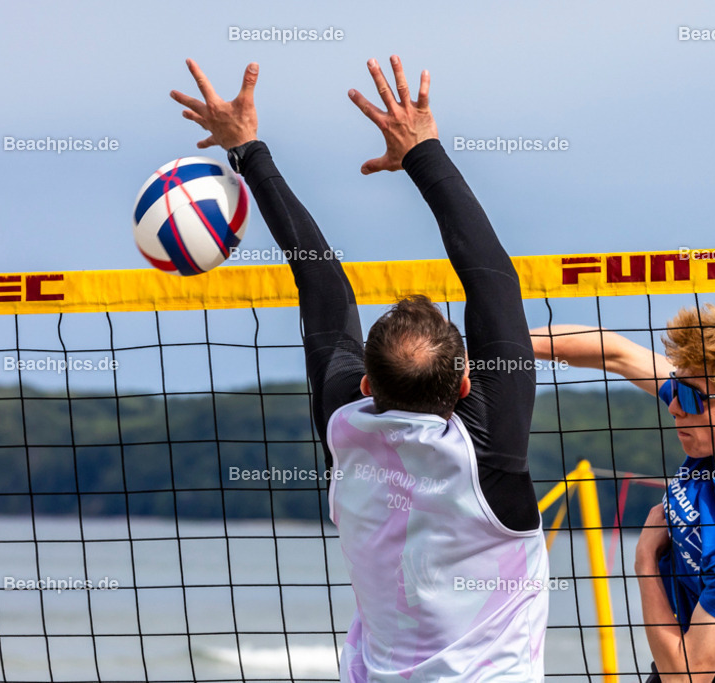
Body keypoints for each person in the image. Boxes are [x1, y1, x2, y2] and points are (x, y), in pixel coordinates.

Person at [171, 56, 547, 682]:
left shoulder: (345, 428)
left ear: (368, 384)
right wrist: (422, 151)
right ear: (463, 384)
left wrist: (246, 150)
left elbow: (320, 282)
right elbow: (493, 280)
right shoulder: (486, 457)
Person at [533, 302, 715, 682]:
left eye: (687, 398)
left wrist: (645, 560)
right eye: (676, 388)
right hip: (692, 650)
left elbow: (685, 676)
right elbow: (615, 354)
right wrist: (491, 352)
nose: (672, 406)